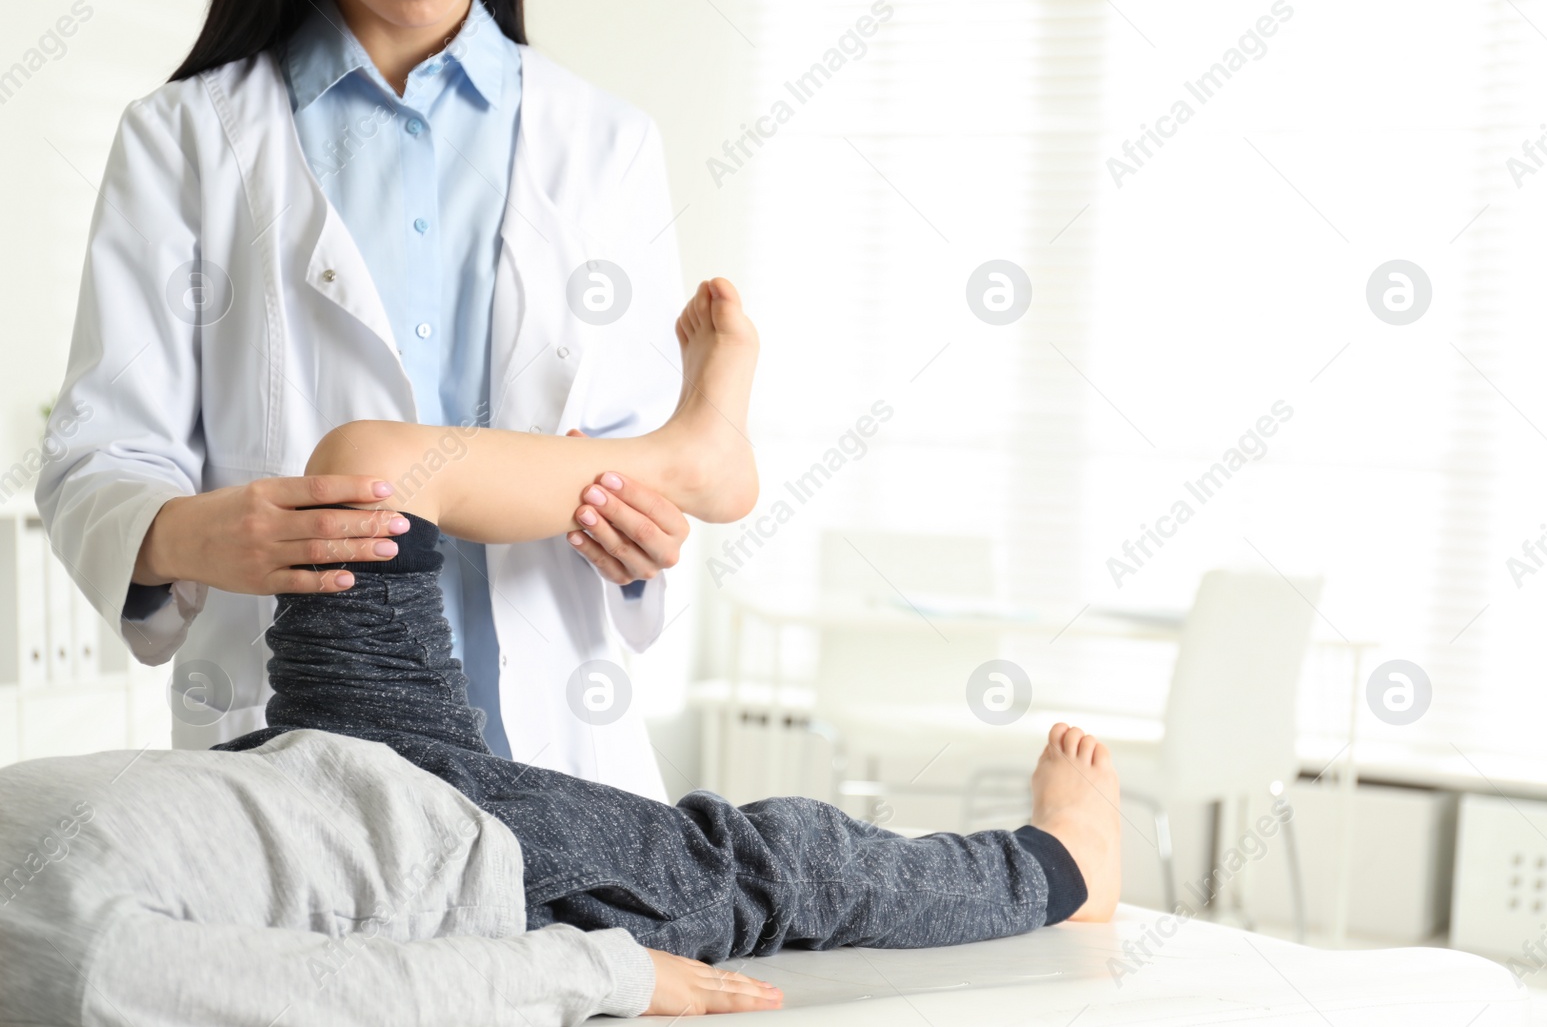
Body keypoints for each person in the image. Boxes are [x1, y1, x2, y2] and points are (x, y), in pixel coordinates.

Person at [0, 281, 1123, 1026]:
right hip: (459, 862)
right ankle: (1062, 865)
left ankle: (687, 456)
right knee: (768, 863)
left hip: (316, 761)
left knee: (370, 470)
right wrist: (609, 969)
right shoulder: (86, 970)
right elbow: (355, 991)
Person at [35, 0, 687, 798]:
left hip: (554, 756)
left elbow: (649, 459)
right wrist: (197, 535)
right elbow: (97, 457)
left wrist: (644, 545)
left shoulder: (607, 142)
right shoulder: (184, 137)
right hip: (292, 754)